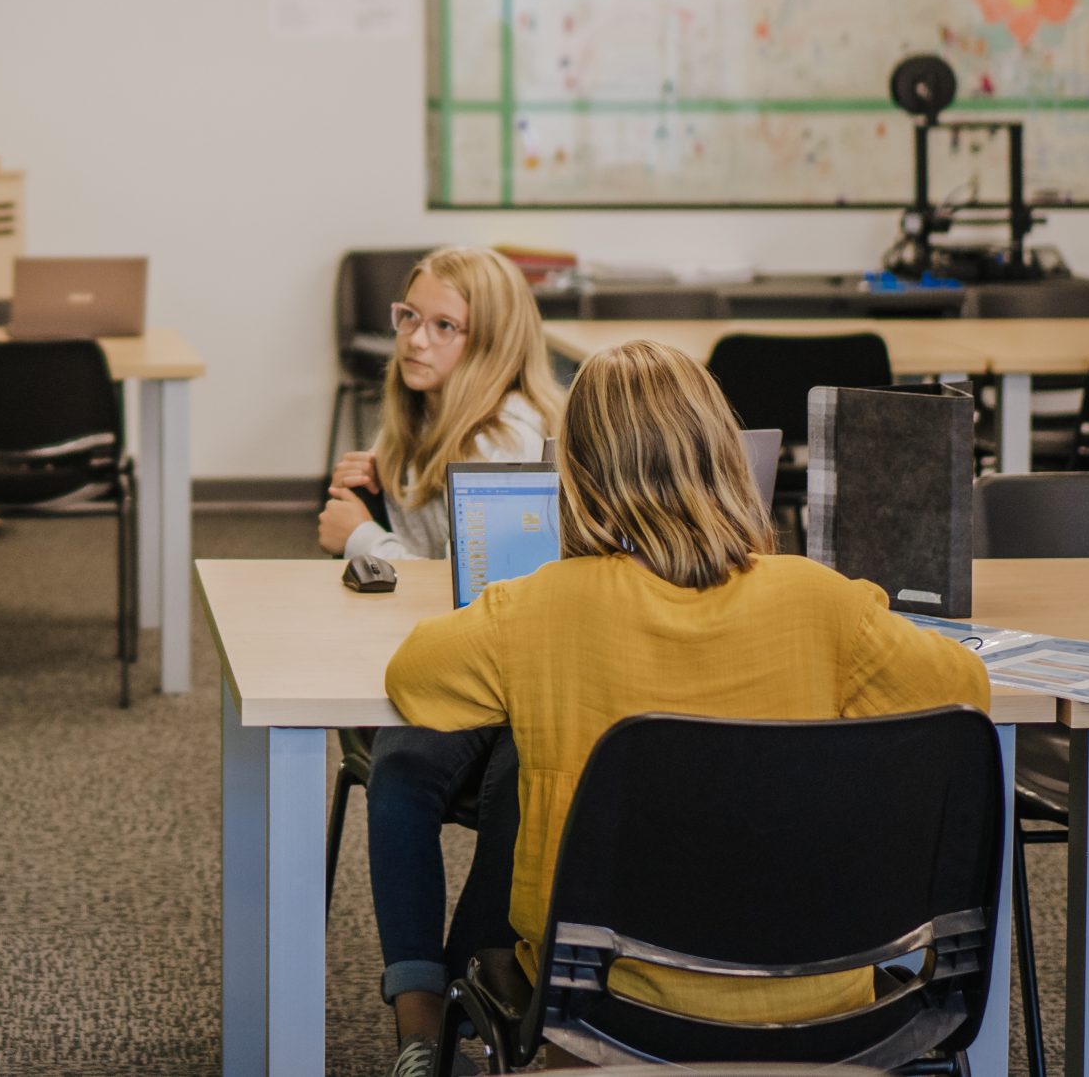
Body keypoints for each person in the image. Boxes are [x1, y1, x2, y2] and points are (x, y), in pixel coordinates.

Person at [388, 339, 989, 1027]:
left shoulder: (535, 607)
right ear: (725, 458)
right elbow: (966, 689)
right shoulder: (826, 603)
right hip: (823, 1005)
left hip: (598, 1005)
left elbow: (412, 675)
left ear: (576, 475)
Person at [315, 245, 563, 1077]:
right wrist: (388, 501)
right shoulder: (432, 418)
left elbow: (466, 587)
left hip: (523, 670)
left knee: (514, 778)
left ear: (488, 342)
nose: (416, 339)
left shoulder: (506, 433)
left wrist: (359, 534)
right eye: (408, 316)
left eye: (443, 325)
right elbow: (445, 569)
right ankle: (423, 1021)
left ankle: (456, 1002)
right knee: (405, 759)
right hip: (478, 662)